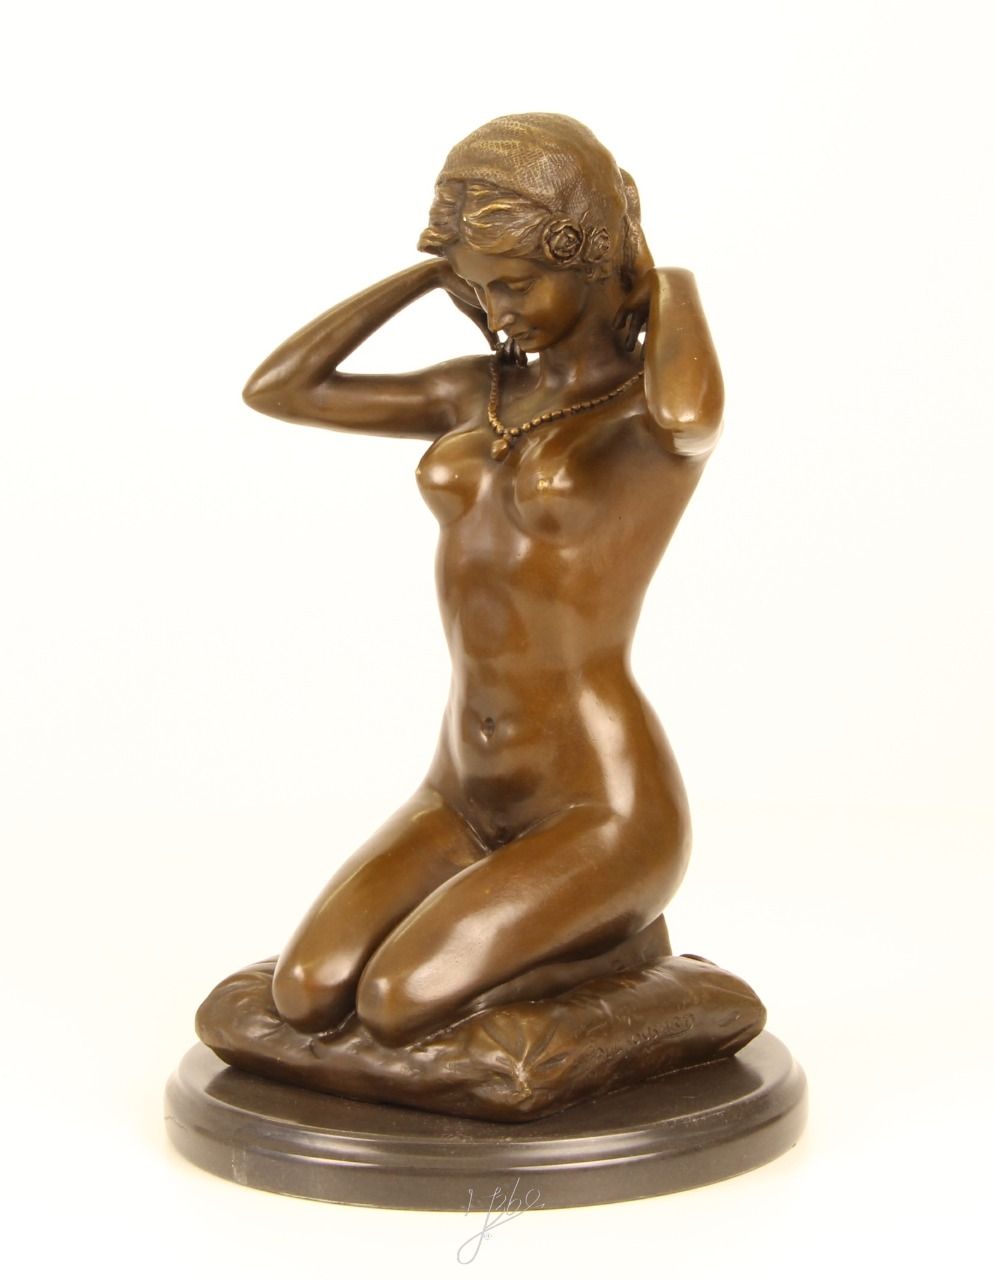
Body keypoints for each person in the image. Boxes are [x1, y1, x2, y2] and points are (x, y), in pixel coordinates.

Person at [241, 114, 723, 1048]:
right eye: (479, 286)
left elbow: (694, 413)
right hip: (460, 791)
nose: (496, 310)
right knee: (305, 991)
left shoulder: (645, 412)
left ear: (585, 257)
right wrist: (431, 273)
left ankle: (623, 956)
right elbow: (282, 390)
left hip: (600, 803)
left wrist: (659, 273)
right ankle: (570, 943)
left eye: (515, 283)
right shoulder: (477, 391)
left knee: (397, 1001)